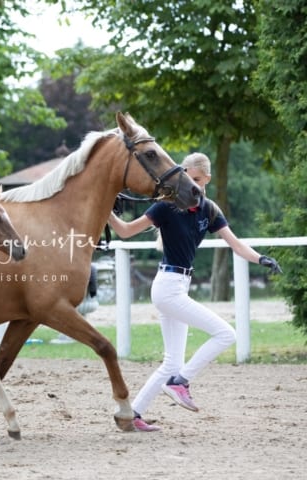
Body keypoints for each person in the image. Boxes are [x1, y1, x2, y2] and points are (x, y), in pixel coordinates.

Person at [108, 152, 282, 432]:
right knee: (227, 334)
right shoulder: (166, 206)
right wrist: (106, 209)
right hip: (167, 288)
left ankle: (131, 414)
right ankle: (180, 382)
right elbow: (126, 231)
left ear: (207, 179)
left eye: (197, 179)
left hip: (178, 287)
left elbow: (236, 245)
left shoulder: (209, 209)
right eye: (187, 177)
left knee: (171, 361)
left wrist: (260, 258)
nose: (192, 184)